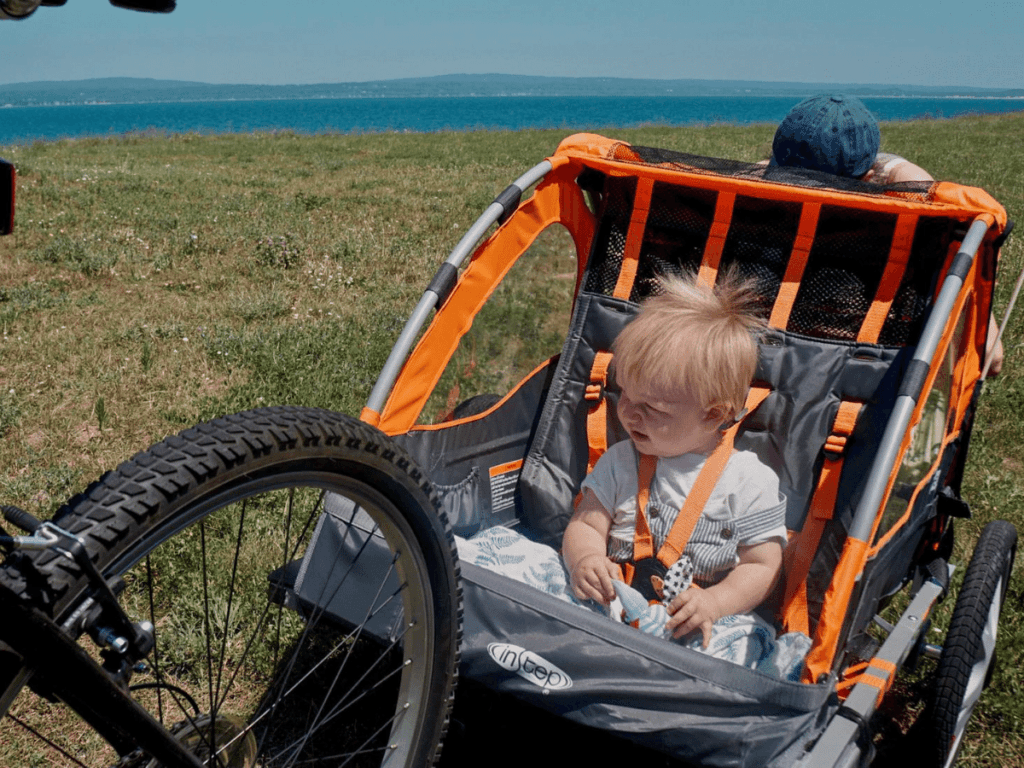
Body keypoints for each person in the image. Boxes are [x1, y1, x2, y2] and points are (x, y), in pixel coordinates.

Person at [561, 273, 788, 648]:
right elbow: (586, 524)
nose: (629, 413)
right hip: (615, 606)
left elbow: (762, 566)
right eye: (626, 395)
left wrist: (715, 602)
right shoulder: (621, 462)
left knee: (745, 645)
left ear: (714, 415)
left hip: (696, 621)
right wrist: (585, 560)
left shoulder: (749, 483)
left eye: (652, 408)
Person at [767, 93, 1004, 374]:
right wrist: (894, 169)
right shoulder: (909, 233)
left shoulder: (751, 216)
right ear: (868, 177)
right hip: (869, 379)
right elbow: (992, 356)